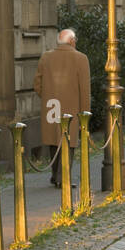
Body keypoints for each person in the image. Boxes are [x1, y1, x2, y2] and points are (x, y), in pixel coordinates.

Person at [33, 28, 91, 188]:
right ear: (71, 41)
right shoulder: (81, 58)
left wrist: (46, 96)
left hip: (51, 106)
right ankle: (62, 177)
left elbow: (37, 84)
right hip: (72, 108)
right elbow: (84, 90)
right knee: (69, 142)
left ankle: (55, 175)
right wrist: (85, 115)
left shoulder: (46, 57)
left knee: (53, 140)